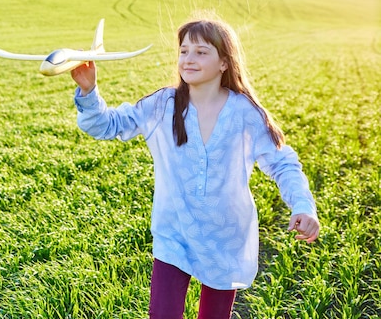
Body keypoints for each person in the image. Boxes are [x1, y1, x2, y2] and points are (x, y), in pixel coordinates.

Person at [70, 17, 320, 319]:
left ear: (224, 63)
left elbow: (282, 163)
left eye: (201, 52)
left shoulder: (244, 112)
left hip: (225, 237)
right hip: (174, 232)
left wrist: (303, 205)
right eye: (184, 51)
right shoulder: (163, 104)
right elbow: (107, 125)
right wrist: (88, 91)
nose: (188, 59)